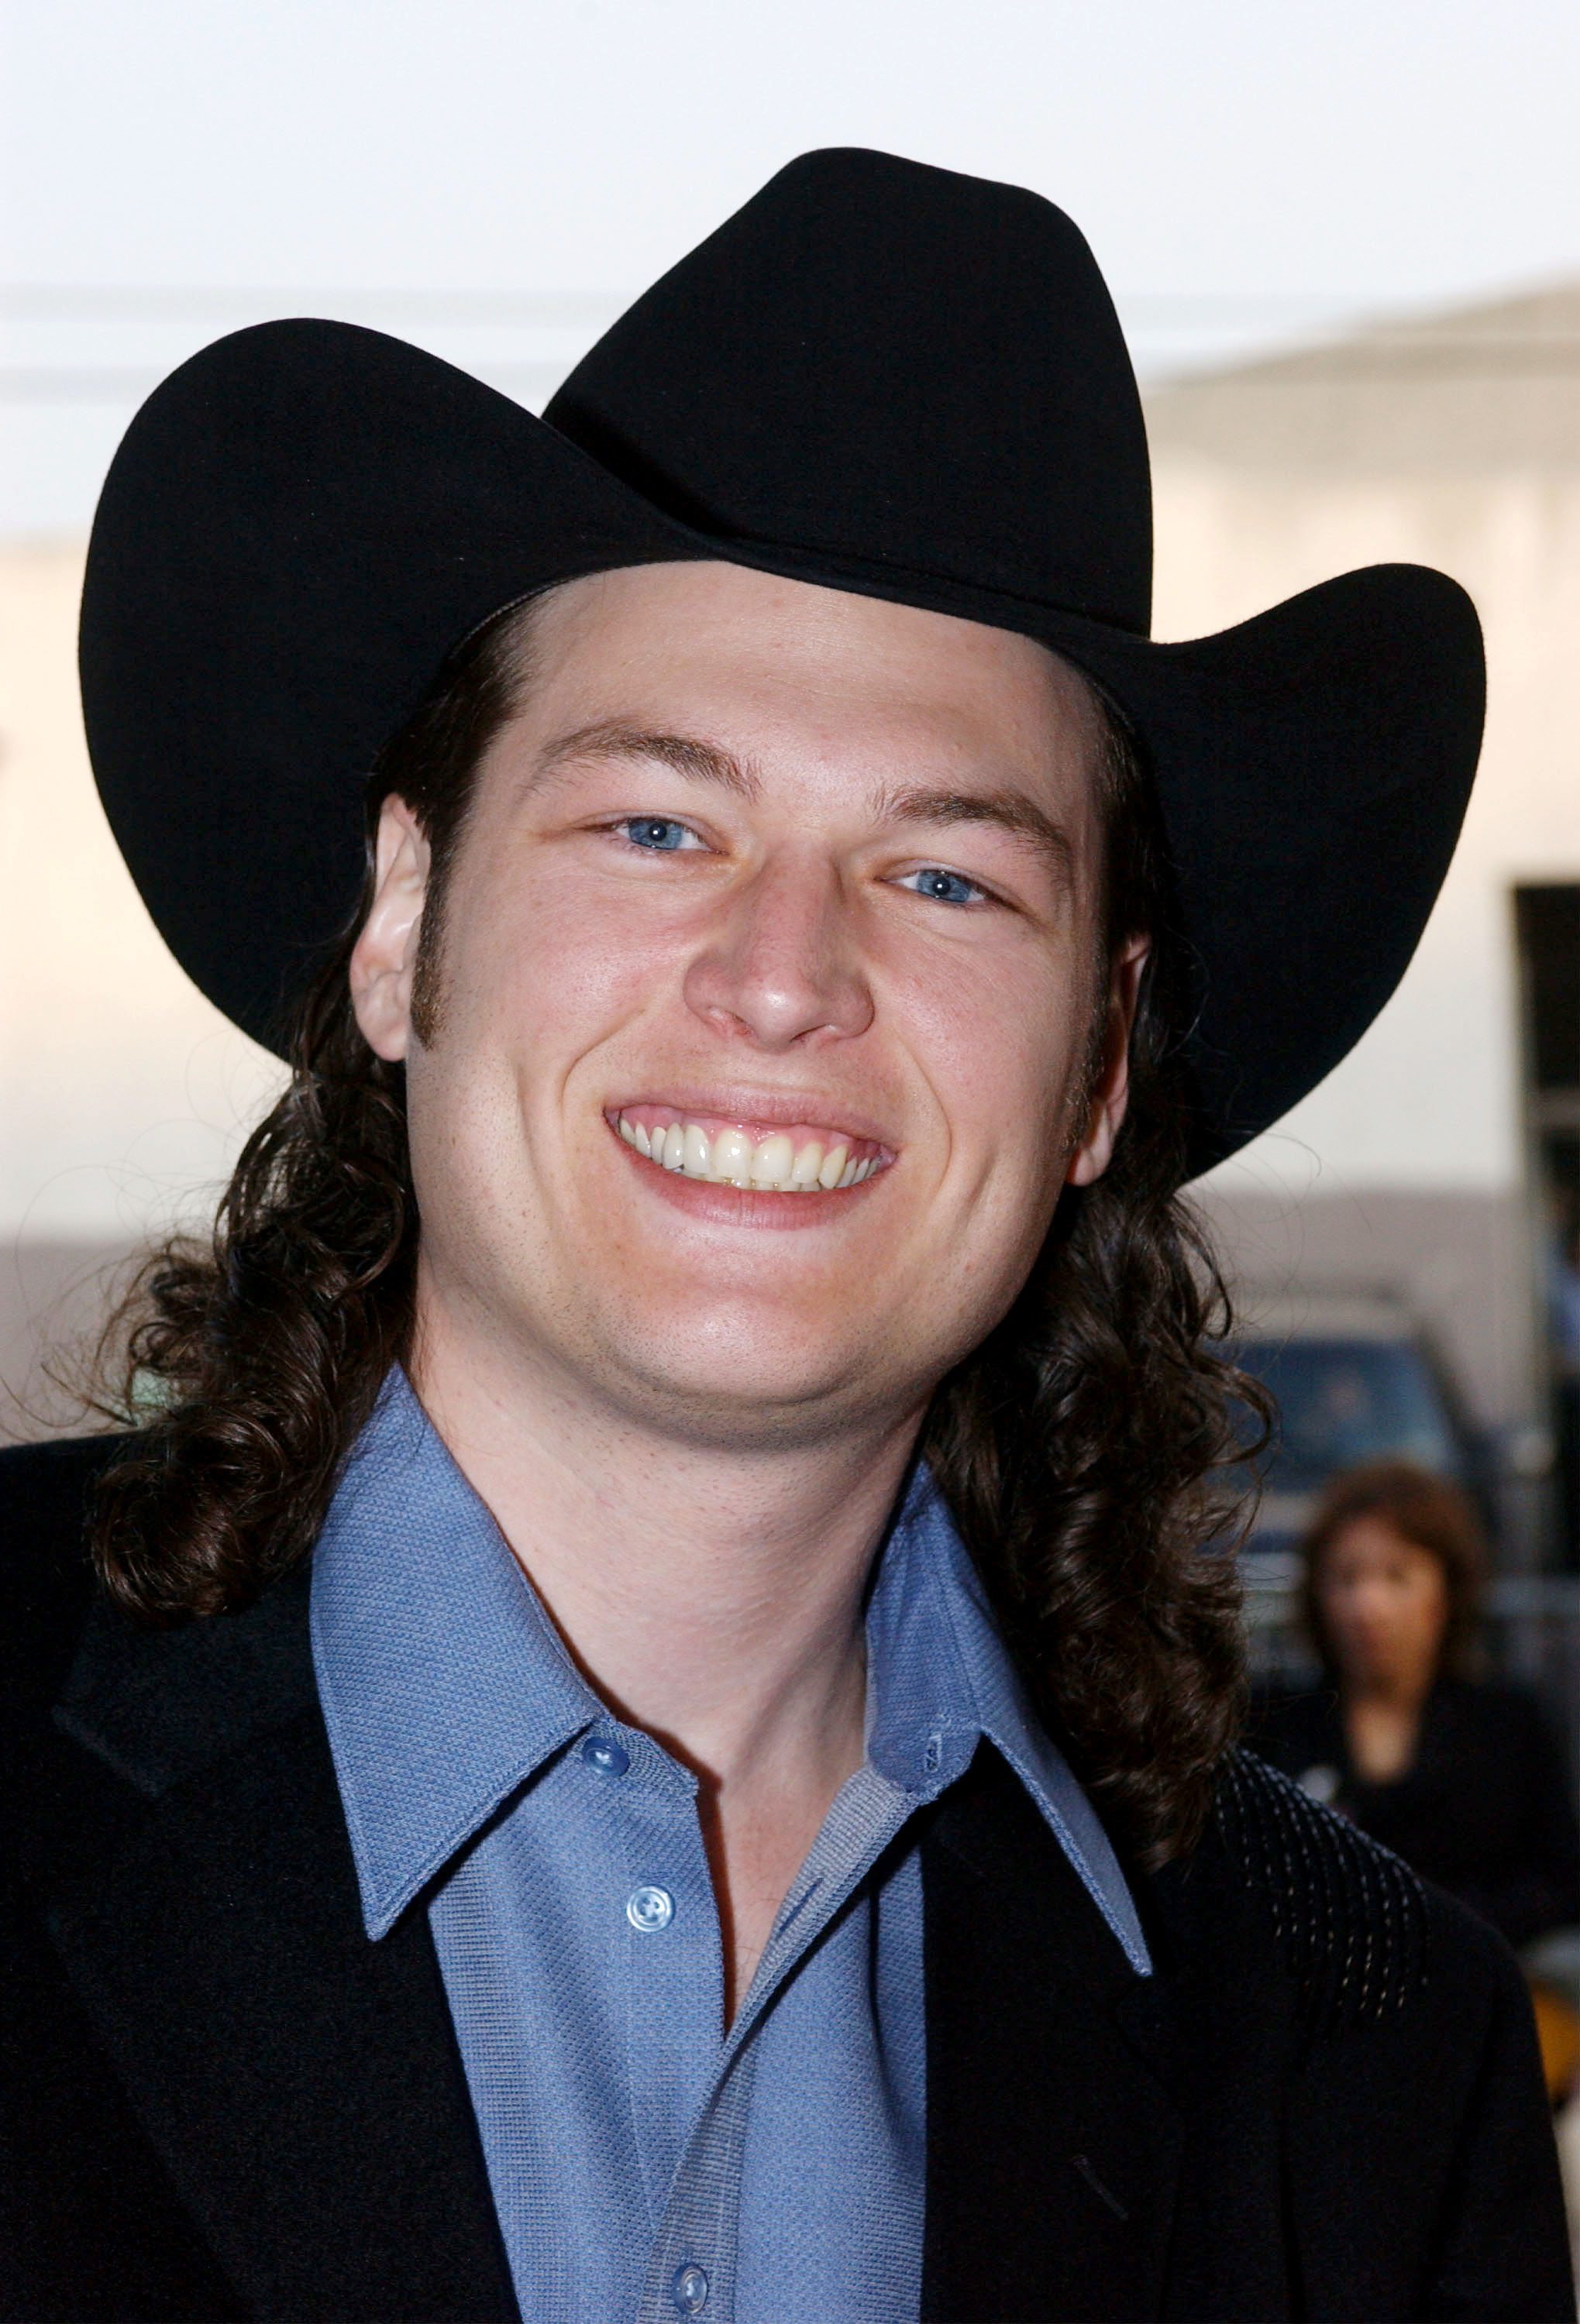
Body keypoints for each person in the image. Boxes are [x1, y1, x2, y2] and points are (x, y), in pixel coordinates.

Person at [2, 150, 1568, 2322]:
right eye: (656, 822)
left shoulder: (1364, 2070)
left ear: (1095, 1068)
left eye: (946, 879)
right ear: (400, 924)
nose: (777, 979)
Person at [1258, 1460, 1580, 1951]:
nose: (1367, 1605)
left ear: (1446, 1591)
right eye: (1346, 1578)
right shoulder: (1276, 1726)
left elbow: (1558, 1880)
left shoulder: (1507, 1724)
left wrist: (1444, 1932)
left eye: (1396, 1576)